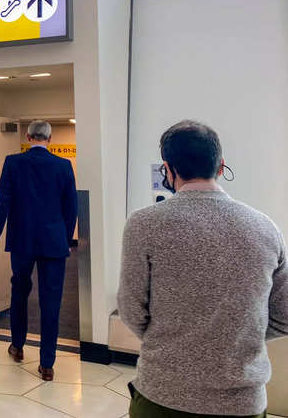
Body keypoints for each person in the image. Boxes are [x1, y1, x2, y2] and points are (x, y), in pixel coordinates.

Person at [118, 120, 288, 418]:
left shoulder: (143, 224)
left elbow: (131, 312)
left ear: (167, 170)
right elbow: (285, 316)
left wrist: (174, 340)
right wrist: (236, 337)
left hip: (164, 396)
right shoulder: (266, 228)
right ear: (221, 166)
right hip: (242, 404)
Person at [0, 120, 78, 381]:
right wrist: (64, 237)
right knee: (52, 301)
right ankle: (47, 364)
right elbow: (70, 208)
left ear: (28, 137)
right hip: (53, 243)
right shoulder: (63, 166)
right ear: (50, 139)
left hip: (22, 241)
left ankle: (17, 347)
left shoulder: (13, 163)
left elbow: (2, 201)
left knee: (19, 293)